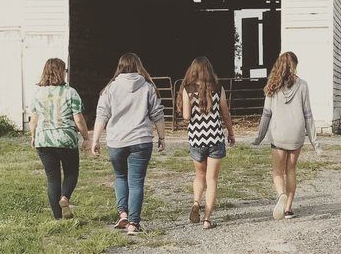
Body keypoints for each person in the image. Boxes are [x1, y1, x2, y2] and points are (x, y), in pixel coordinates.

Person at [91, 53, 165, 235]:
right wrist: (162, 137)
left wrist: (95, 139)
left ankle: (123, 214)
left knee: (120, 177)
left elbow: (102, 115)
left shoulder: (110, 88)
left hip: (116, 140)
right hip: (141, 140)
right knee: (136, 182)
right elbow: (157, 114)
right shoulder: (148, 87)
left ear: (120, 67)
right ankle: (133, 224)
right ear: (139, 66)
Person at [253, 51, 321, 220]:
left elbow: (266, 114)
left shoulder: (272, 85)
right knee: (291, 169)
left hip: (278, 134)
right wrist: (315, 142)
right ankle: (288, 209)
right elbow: (308, 115)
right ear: (295, 66)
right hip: (296, 133)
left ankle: (281, 195)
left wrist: (259, 137)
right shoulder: (303, 85)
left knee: (277, 171)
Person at [176, 57, 235, 229]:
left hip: (197, 138)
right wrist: (230, 133)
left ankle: (196, 202)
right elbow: (225, 113)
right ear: (209, 70)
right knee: (212, 179)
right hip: (215, 137)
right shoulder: (218, 88)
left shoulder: (187, 89)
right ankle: (207, 220)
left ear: (192, 70)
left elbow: (186, 117)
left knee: (199, 175)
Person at [29, 58, 90, 220]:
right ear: (61, 72)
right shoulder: (70, 92)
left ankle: (58, 218)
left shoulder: (38, 94)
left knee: (52, 179)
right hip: (65, 139)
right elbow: (78, 119)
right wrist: (86, 138)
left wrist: (33, 136)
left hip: (44, 140)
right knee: (71, 173)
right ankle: (65, 197)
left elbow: (33, 120)